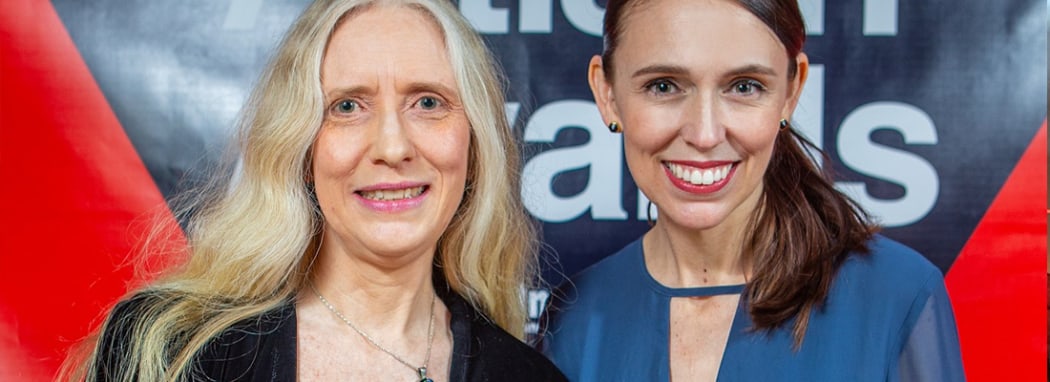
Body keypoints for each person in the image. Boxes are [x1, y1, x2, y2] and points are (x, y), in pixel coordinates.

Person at [62, 0, 567, 381]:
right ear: (302, 150)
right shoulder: (168, 350)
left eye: (428, 102)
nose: (392, 146)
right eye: (347, 106)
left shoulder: (525, 376)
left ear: (473, 144)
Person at [542, 0, 965, 380]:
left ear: (791, 90)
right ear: (607, 93)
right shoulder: (577, 314)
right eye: (664, 85)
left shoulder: (898, 295)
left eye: (744, 86)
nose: (705, 133)